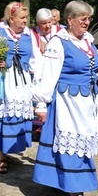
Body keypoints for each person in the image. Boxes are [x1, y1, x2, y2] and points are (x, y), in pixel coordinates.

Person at [31, 0, 98, 196]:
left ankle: (64, 182)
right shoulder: (59, 42)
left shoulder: (87, 40)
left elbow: (88, 62)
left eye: (89, 19)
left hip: (86, 101)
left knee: (81, 140)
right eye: (83, 19)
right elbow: (47, 74)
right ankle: (74, 188)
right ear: (70, 20)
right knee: (70, 141)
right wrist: (41, 104)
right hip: (67, 102)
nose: (87, 23)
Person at [0, 1, 35, 173]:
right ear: (11, 18)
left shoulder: (29, 34)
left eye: (26, 17)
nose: (25, 21)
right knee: (2, 115)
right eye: (22, 18)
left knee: (17, 114)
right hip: (3, 78)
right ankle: (1, 157)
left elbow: (36, 59)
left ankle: (12, 148)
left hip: (22, 81)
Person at [30, 8, 64, 139]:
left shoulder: (61, 33)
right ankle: (37, 130)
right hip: (39, 71)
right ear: (38, 23)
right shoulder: (33, 33)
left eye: (50, 22)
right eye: (44, 23)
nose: (48, 26)